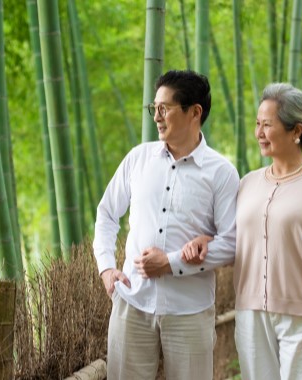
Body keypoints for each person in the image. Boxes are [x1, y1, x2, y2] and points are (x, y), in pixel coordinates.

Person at [184, 82, 302, 379]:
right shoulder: (248, 183)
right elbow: (238, 240)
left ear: (296, 131)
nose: (258, 133)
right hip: (250, 314)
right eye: (257, 124)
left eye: (267, 125)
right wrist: (206, 239)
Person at [92, 69, 239, 379]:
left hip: (190, 310)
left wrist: (171, 264)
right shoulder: (137, 159)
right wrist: (106, 267)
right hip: (132, 301)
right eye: (153, 108)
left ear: (194, 112)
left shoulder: (221, 172)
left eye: (164, 108)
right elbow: (106, 214)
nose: (156, 116)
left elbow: (231, 244)